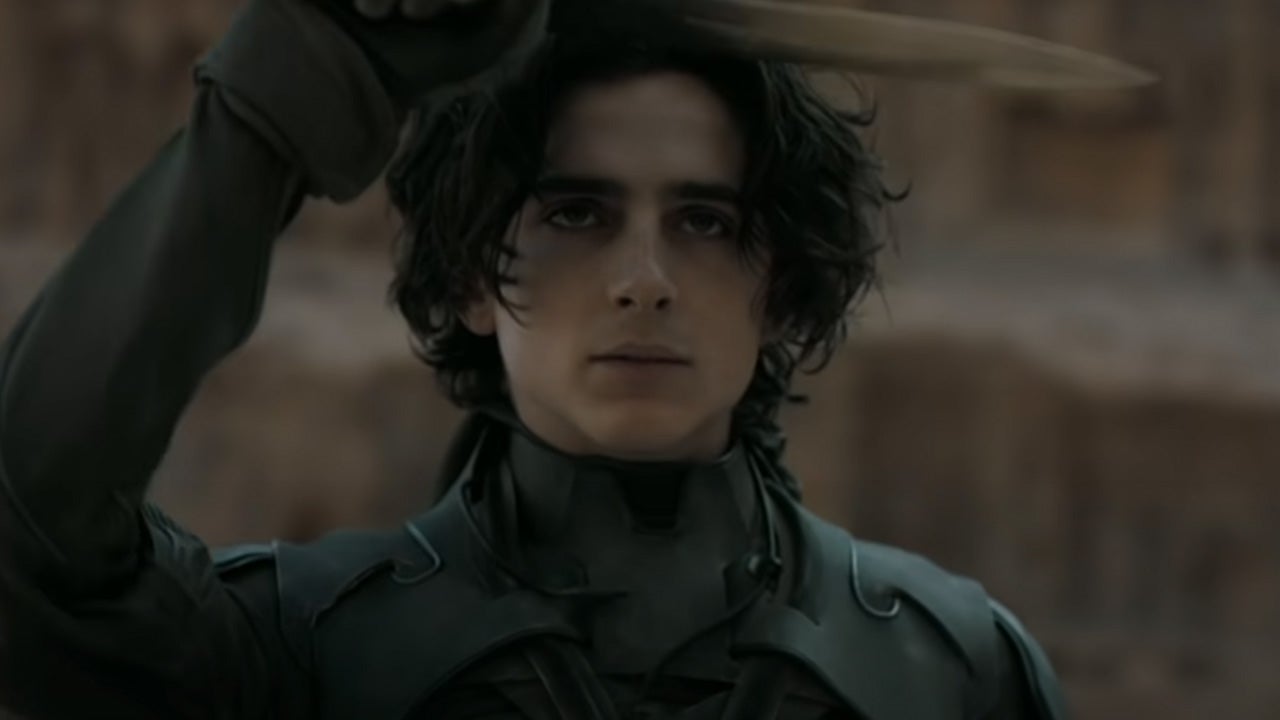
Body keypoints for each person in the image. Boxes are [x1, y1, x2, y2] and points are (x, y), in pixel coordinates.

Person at [0, 0, 1068, 717]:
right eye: (576, 213)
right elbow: (28, 532)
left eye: (704, 221)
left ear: (779, 286)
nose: (643, 279)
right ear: (472, 275)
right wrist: (294, 84)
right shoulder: (303, 652)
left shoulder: (954, 672)